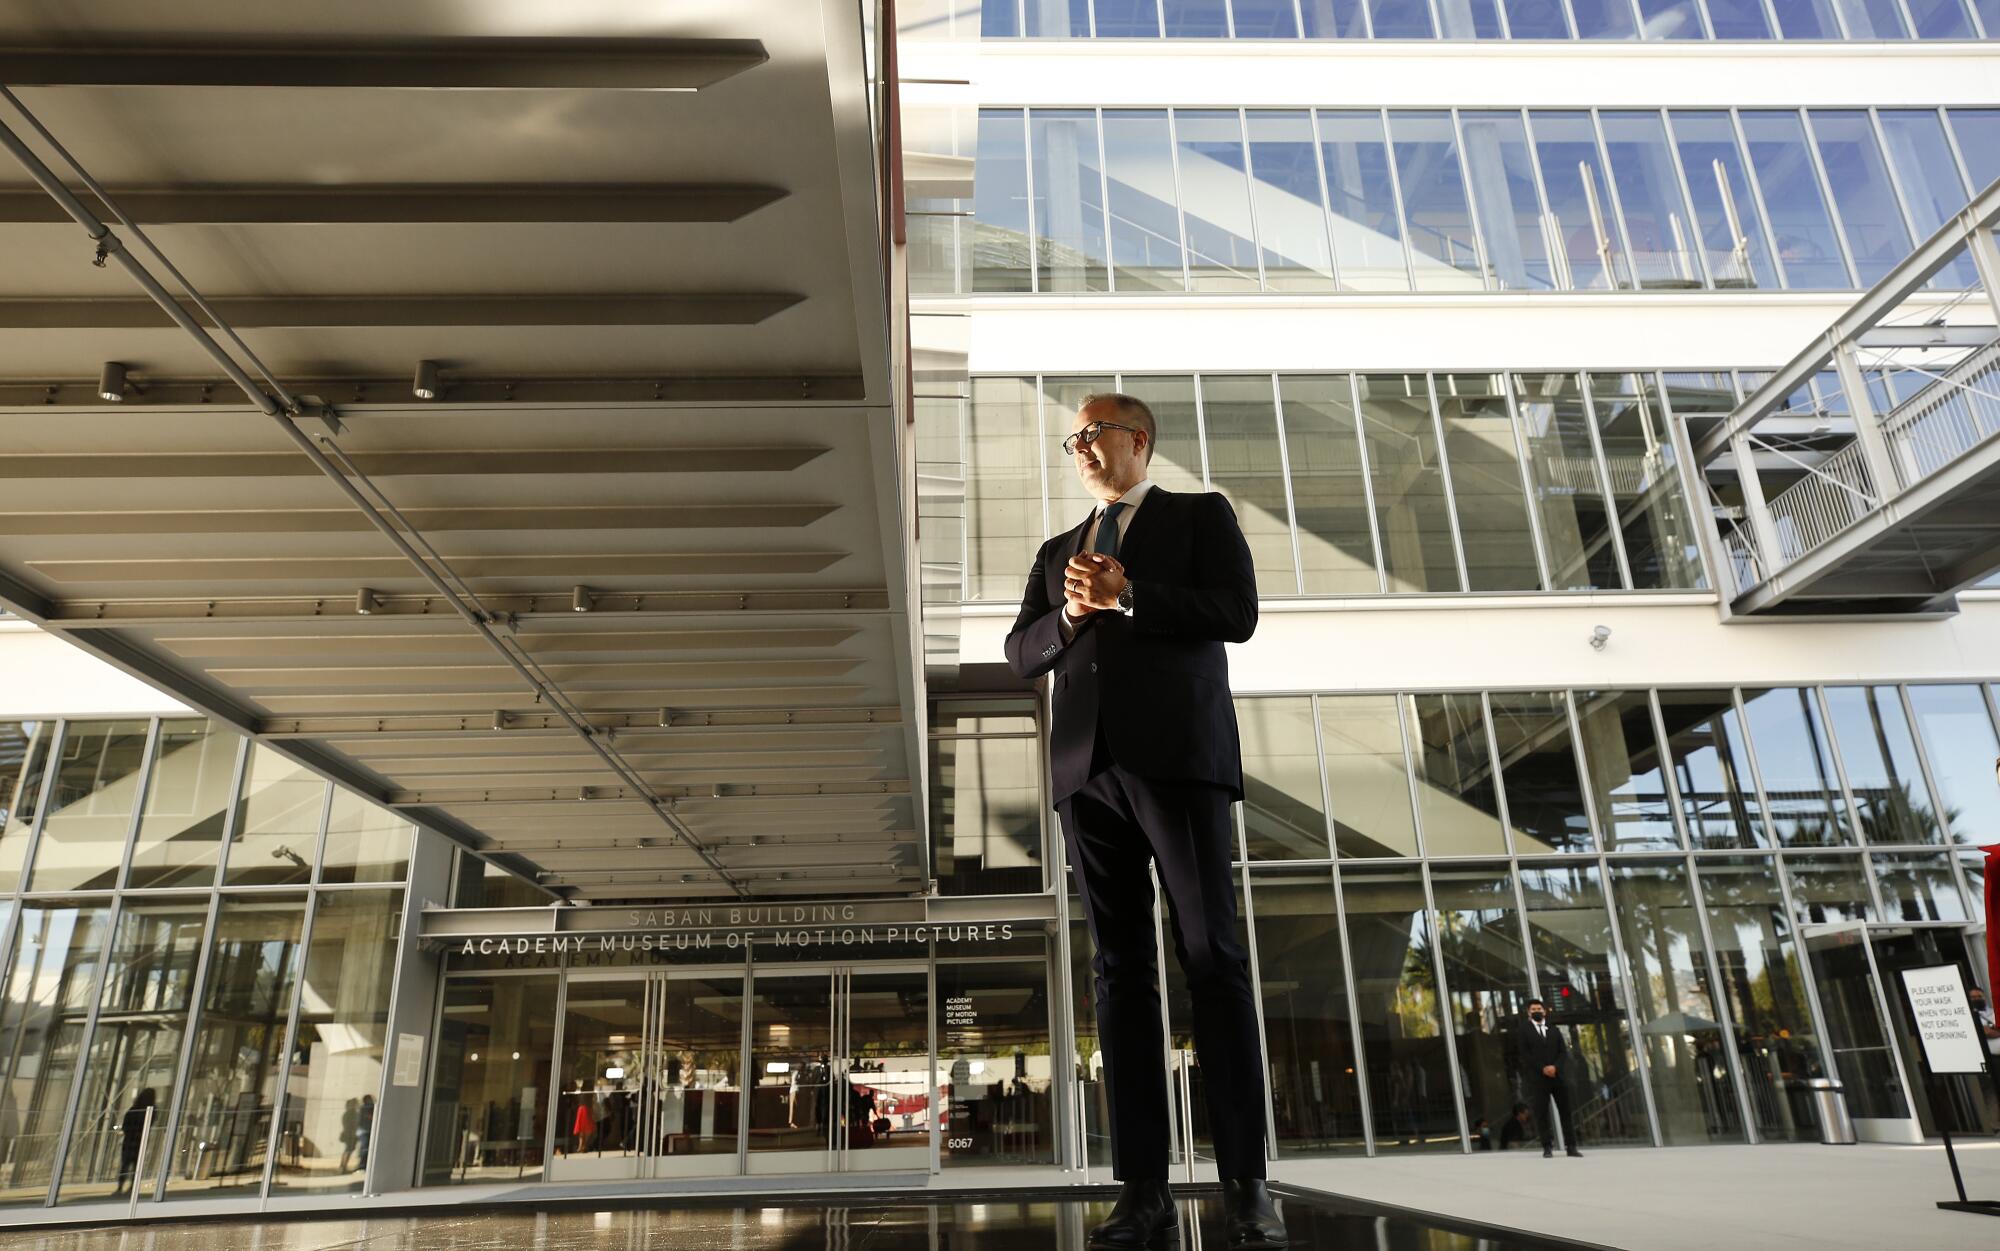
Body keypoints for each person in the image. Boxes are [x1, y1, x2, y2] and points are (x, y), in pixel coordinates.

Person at [1006, 393, 1282, 1251]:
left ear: (1139, 439)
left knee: (1214, 959)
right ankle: (1143, 1191)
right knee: (1119, 977)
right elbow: (1021, 653)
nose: (1082, 447)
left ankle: (1246, 1186)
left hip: (1180, 761)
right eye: (1074, 438)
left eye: (1095, 432)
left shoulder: (1200, 516)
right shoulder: (1058, 552)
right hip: (1086, 775)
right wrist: (1075, 614)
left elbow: (1237, 613)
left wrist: (1132, 596)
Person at [1512, 999, 1580, 1158]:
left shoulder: (1554, 1030)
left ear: (1544, 1011)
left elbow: (1562, 1052)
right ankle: (1547, 1147)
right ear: (1529, 1012)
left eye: (1539, 1008)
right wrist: (1543, 1068)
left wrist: (1555, 1067)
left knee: (1565, 1112)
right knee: (1541, 1113)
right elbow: (1525, 1054)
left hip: (1558, 1077)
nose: (1537, 1011)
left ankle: (1571, 1146)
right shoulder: (1524, 1030)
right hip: (1538, 1079)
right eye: (1533, 1009)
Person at [113, 1088, 156, 1195]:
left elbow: (125, 1124)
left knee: (125, 1165)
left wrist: (130, 1132)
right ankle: (132, 1187)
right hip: (140, 1141)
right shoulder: (151, 1110)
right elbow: (150, 1123)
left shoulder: (134, 1109)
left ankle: (120, 1187)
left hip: (129, 1140)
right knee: (136, 1166)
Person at [339, 1097, 360, 1172]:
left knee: (347, 1150)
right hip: (351, 1135)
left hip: (348, 1134)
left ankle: (342, 1166)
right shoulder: (352, 1113)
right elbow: (354, 1124)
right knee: (348, 1150)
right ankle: (343, 1167)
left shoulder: (347, 1113)